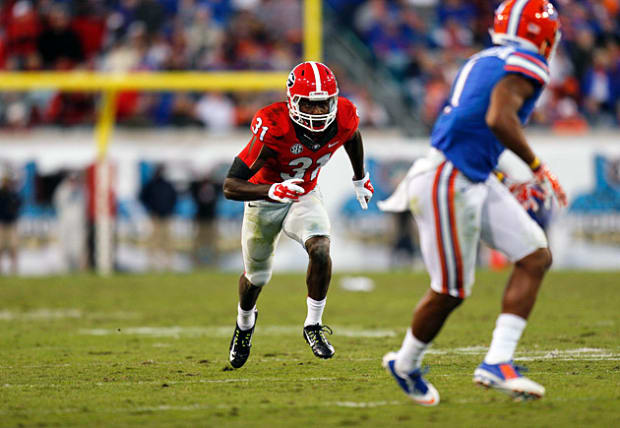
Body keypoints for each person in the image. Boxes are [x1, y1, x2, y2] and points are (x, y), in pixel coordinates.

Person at [378, 0, 567, 405]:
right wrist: (537, 167)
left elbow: (469, 124)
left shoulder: (484, 59)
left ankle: (498, 361)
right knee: (451, 290)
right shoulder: (528, 62)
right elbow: (498, 119)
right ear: (542, 33)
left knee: (534, 254)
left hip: (465, 174)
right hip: (450, 179)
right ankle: (406, 363)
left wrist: (497, 174)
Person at [223, 61, 374, 369]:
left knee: (320, 247)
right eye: (310, 104)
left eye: (323, 105)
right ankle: (245, 324)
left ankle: (313, 325)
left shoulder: (344, 115)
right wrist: (271, 190)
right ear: (293, 102)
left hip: (304, 194)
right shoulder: (273, 125)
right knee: (257, 277)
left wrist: (359, 176)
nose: (318, 112)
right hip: (264, 199)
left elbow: (352, 136)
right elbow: (230, 185)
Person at [139, 164, 178, 271]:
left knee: (167, 240)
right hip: (155, 216)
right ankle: (152, 263)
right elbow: (142, 197)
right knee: (154, 240)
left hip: (165, 216)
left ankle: (168, 263)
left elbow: (174, 198)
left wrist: (169, 209)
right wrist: (151, 208)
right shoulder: (151, 185)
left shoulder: (166, 185)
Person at [0, 174, 22, 275]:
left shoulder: (13, 194)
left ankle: (14, 268)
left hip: (11, 223)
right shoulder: (2, 194)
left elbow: (19, 203)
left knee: (13, 247)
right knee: (1, 246)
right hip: (2, 223)